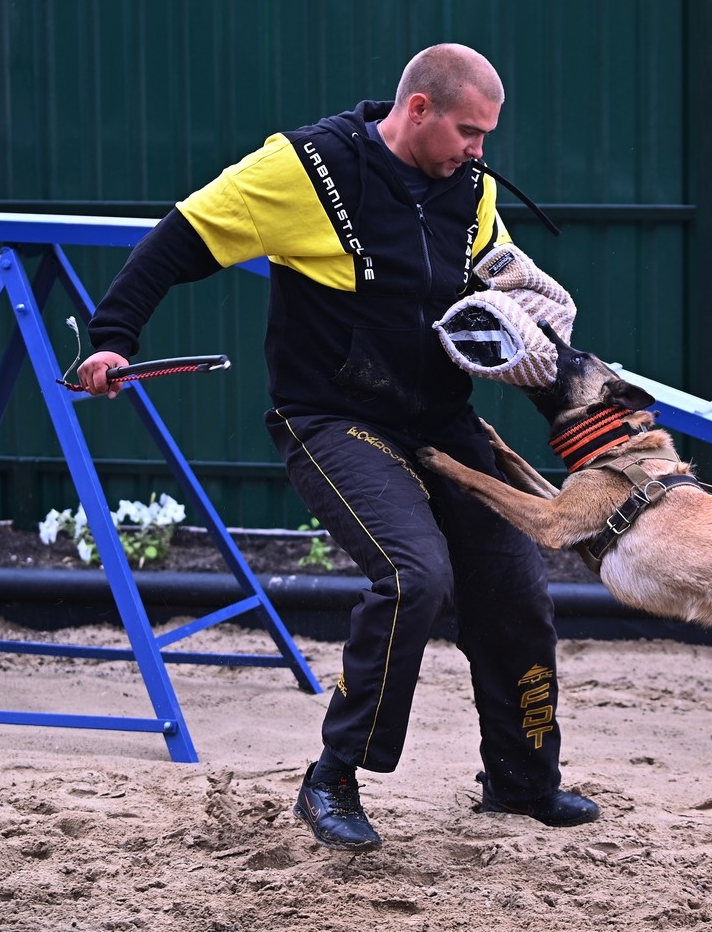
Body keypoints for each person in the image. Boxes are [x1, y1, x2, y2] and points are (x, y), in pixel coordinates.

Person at [78, 43, 599, 852]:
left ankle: (523, 778)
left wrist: (543, 351)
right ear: (418, 108)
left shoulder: (474, 192)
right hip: (331, 418)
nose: (479, 150)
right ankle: (333, 776)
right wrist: (113, 337)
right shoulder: (308, 168)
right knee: (412, 575)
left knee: (516, 580)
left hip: (442, 421)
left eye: (487, 136)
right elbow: (182, 238)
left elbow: (498, 304)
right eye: (468, 130)